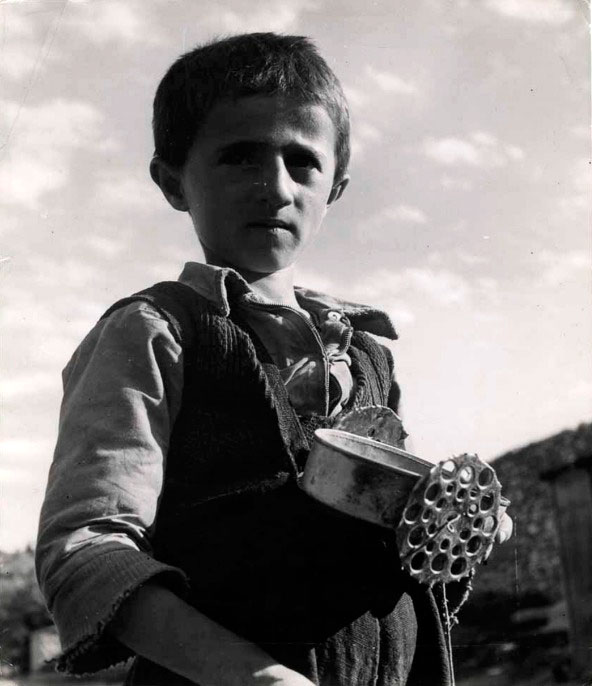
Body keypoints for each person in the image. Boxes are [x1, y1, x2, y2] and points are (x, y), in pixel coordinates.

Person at [36, 32, 510, 686]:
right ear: (172, 181)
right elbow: (86, 552)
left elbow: (385, 535)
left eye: (303, 162)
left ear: (336, 186)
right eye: (239, 157)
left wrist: (454, 522)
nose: (275, 186)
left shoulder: (367, 354)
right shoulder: (156, 332)